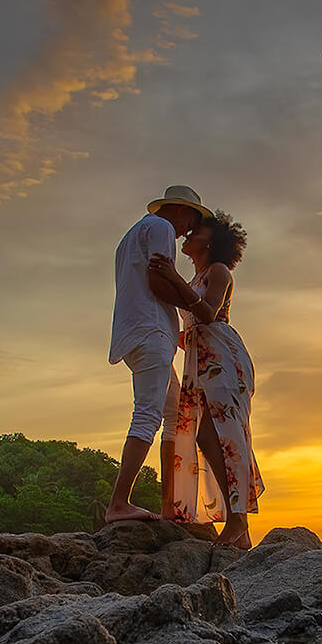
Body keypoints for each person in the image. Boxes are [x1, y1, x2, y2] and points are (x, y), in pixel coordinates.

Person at [149, 211, 264, 549]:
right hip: (202, 359)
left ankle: (238, 520)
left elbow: (209, 312)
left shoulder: (218, 271)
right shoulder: (198, 274)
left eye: (195, 232)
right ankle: (238, 524)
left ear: (210, 241)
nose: (187, 235)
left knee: (226, 434)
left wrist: (172, 277)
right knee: (206, 434)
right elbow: (192, 317)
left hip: (223, 358)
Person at [105, 184, 211, 524]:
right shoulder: (162, 227)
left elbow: (146, 283)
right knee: (148, 415)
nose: (187, 233)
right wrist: (198, 308)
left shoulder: (130, 236)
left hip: (139, 331)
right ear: (181, 210)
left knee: (173, 412)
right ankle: (119, 503)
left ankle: (169, 507)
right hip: (151, 332)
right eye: (191, 222)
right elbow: (158, 279)